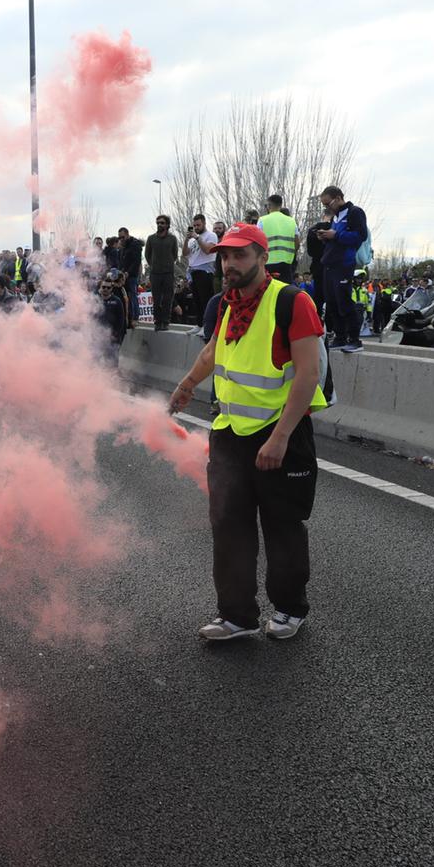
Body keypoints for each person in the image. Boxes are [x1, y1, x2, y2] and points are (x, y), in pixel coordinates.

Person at [167, 222, 327, 642]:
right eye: (224, 256)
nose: (229, 263)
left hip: (280, 434)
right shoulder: (226, 302)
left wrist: (280, 437)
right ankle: (237, 616)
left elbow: (308, 374)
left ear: (262, 257)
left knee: (283, 527)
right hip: (230, 433)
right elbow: (213, 350)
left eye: (239, 254)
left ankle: (289, 609)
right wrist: (187, 385)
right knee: (228, 525)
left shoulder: (292, 302)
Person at [314, 185, 367, 353]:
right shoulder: (335, 217)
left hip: (344, 264)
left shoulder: (354, 212)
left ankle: (355, 340)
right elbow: (336, 238)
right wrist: (325, 237)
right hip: (329, 263)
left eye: (327, 204)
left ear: (338, 198)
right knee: (331, 302)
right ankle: (340, 337)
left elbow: (360, 236)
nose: (326, 208)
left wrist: (336, 235)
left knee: (344, 301)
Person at [144, 215, 181, 330]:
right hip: (155, 273)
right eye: (158, 223)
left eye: (162, 223)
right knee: (156, 299)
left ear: (167, 225)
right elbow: (147, 255)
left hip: (168, 273)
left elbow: (174, 254)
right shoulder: (151, 238)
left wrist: (167, 263)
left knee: (167, 299)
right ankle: (157, 321)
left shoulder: (172, 239)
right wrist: (154, 264)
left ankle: (165, 322)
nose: (159, 225)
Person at [182, 214, 218, 327]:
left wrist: (197, 238)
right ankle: (199, 325)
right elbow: (185, 253)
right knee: (196, 301)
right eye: (194, 225)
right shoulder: (192, 240)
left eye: (198, 225)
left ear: (204, 223)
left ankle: (207, 326)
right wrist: (186, 239)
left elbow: (208, 250)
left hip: (205, 271)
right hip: (193, 271)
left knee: (205, 300)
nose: (196, 227)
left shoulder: (211, 235)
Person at [258, 194, 299, 282]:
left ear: (269, 205)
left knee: (268, 288)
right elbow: (297, 244)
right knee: (285, 289)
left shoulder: (262, 220)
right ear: (280, 205)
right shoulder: (291, 221)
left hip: (268, 263)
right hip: (287, 264)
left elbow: (257, 242)